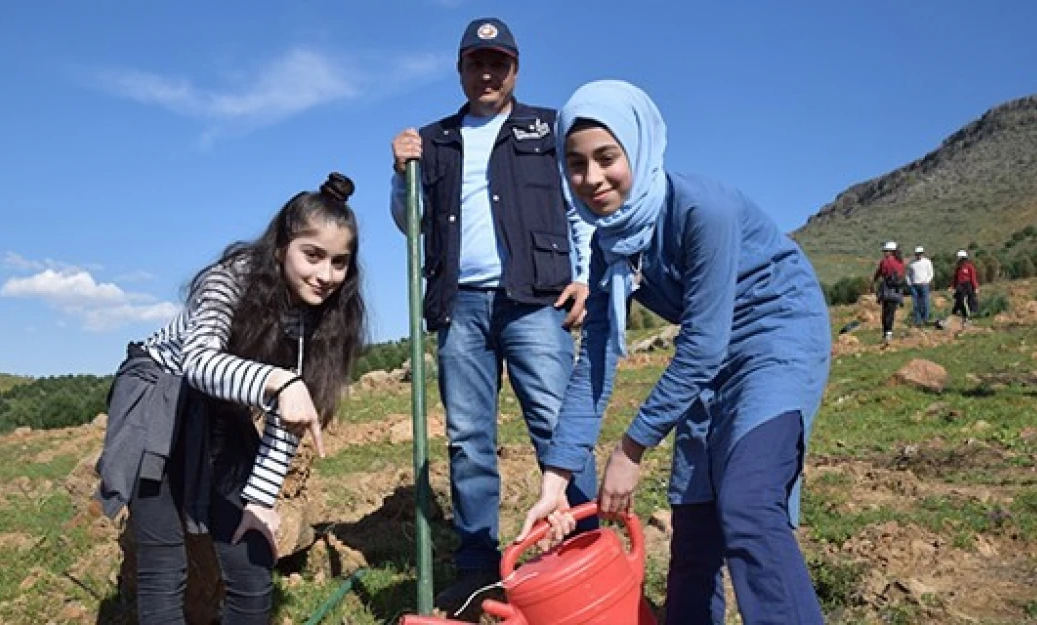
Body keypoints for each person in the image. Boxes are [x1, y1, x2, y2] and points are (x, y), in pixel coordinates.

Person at [516, 80, 830, 624]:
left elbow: (703, 345)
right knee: (695, 523)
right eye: (575, 163)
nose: (591, 179)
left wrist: (628, 451)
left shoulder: (701, 209)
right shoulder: (607, 244)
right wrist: (556, 480)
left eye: (607, 158)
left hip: (775, 335)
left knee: (749, 504)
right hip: (709, 357)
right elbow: (592, 368)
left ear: (638, 147)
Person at [388, 16, 596, 615]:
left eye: (497, 63)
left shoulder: (548, 128)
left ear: (514, 70)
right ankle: (479, 570)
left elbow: (578, 205)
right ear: (460, 70)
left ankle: (584, 545)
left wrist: (584, 275)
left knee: (560, 429)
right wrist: (400, 174)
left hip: (537, 299)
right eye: (476, 63)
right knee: (468, 441)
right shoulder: (435, 141)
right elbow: (412, 223)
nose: (487, 73)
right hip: (462, 307)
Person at [97, 173, 365, 624]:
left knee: (252, 561)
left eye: (339, 263)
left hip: (220, 406)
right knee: (165, 568)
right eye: (313, 255)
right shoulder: (230, 279)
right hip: (160, 392)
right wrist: (281, 382)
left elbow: (289, 418)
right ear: (282, 246)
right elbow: (199, 362)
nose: (325, 276)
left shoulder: (321, 319)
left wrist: (261, 500)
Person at [873, 241, 906, 344]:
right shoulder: (900, 262)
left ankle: (886, 332)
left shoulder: (885, 262)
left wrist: (874, 281)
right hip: (897, 291)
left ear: (891, 252)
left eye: (886, 251)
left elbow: (881, 273)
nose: (885, 253)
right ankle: (888, 332)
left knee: (886, 312)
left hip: (887, 290)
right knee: (891, 312)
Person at [950, 249, 979, 328]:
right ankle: (955, 316)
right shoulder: (958, 268)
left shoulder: (969, 266)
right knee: (959, 301)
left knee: (965, 302)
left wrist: (975, 287)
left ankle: (967, 317)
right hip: (960, 287)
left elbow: (973, 278)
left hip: (967, 286)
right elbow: (955, 278)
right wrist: (952, 286)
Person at [906, 245, 934, 326]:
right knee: (916, 304)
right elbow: (908, 274)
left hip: (924, 285)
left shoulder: (927, 262)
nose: (919, 255)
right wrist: (910, 283)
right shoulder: (912, 263)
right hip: (914, 285)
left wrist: (927, 281)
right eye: (917, 253)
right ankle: (917, 321)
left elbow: (931, 273)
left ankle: (925, 319)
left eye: (920, 253)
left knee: (925, 303)